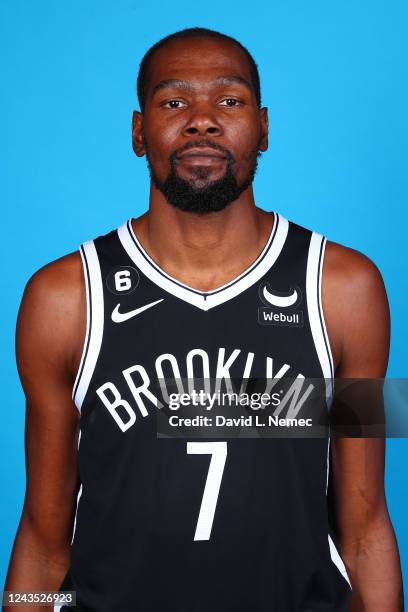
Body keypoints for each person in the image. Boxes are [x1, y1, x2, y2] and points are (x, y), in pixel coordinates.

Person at [4, 27, 403, 612]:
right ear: (139, 132)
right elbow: (42, 537)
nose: (202, 121)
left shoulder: (345, 289)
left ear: (263, 127)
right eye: (173, 102)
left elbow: (366, 523)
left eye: (229, 100)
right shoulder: (63, 298)